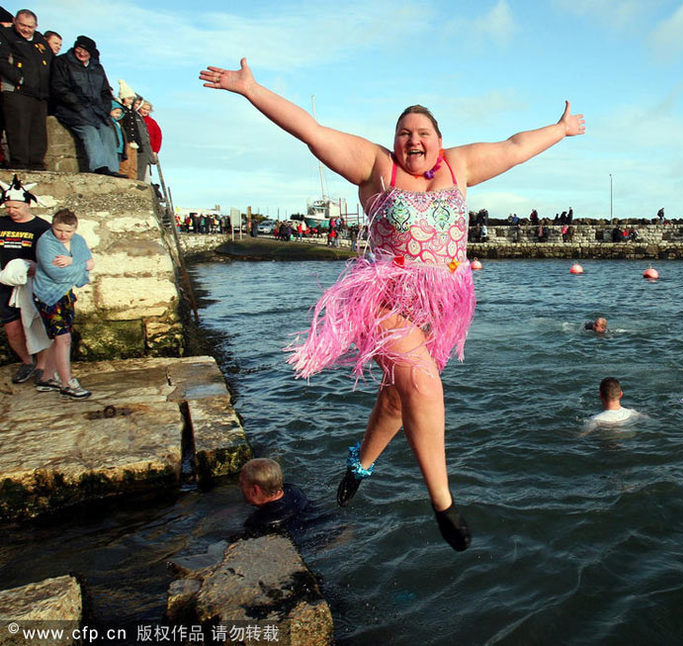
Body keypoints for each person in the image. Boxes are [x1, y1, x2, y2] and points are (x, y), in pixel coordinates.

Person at [201, 57, 585, 551]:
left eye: (423, 133)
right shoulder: (377, 167)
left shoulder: (459, 166)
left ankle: (359, 465)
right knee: (422, 382)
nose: (413, 141)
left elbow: (514, 148)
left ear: (439, 141)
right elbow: (311, 131)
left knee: (398, 398)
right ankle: (444, 504)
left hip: (440, 306)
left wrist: (559, 129)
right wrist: (252, 90)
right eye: (404, 133)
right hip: (383, 299)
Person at [32, 208, 94, 399]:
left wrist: (72, 261)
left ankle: (47, 377)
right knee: (63, 338)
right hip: (48, 295)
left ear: (75, 229)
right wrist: (81, 265)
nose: (63, 235)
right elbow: (57, 273)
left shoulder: (78, 241)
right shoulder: (45, 242)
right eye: (59, 230)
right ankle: (67, 383)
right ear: (53, 225)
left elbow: (91, 262)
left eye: (68, 231)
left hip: (66, 294)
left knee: (58, 338)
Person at [0, 174, 50, 383]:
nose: (11, 211)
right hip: (4, 283)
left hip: (32, 283)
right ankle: (26, 362)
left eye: (16, 207)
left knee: (36, 325)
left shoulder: (41, 227)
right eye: (8, 207)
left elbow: (49, 256)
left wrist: (36, 268)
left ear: (28, 205)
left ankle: (41, 365)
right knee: (12, 327)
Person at [50, 36, 124, 177]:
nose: (82, 53)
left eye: (86, 51)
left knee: (107, 132)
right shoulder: (62, 62)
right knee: (90, 132)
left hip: (96, 111)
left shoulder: (97, 67)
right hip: (71, 109)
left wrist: (104, 108)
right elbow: (59, 88)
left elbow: (105, 92)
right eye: (80, 49)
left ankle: (112, 169)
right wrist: (78, 106)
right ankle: (99, 167)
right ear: (75, 48)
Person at [0, 9, 54, 170]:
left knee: (38, 130)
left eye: (30, 27)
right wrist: (19, 78)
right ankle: (20, 163)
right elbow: (1, 61)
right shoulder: (6, 35)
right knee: (18, 127)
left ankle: (36, 163)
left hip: (40, 93)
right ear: (15, 21)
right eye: (22, 25)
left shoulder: (40, 41)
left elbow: (50, 63)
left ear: (36, 26)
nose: (25, 29)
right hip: (16, 91)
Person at [239, 458, 309, 535]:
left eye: (242, 484)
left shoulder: (259, 522)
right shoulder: (295, 491)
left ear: (255, 490)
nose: (239, 486)